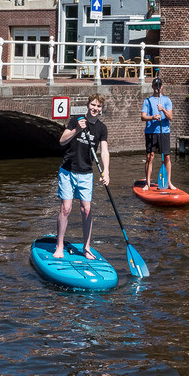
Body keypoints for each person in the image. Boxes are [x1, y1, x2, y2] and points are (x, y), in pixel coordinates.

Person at [54, 95, 110, 257]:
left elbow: (104, 151)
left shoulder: (102, 128)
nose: (95, 108)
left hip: (86, 173)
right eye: (93, 105)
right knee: (66, 208)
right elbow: (62, 141)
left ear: (101, 109)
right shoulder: (75, 120)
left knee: (86, 209)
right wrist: (77, 130)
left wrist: (106, 170)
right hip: (68, 170)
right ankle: (59, 246)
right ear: (88, 105)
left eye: (98, 106)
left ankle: (86, 248)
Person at [139, 77, 176, 190]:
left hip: (164, 131)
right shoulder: (148, 101)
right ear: (153, 87)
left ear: (162, 86)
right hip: (151, 132)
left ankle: (169, 182)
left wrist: (163, 110)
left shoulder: (167, 100)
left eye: (159, 85)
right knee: (150, 156)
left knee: (167, 157)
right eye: (155, 85)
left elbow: (170, 117)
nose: (157, 88)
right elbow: (143, 117)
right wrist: (152, 117)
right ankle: (147, 183)